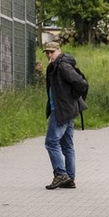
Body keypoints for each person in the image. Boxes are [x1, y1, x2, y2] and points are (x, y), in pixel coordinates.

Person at [43, 41, 87, 190]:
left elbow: (81, 83)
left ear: (59, 51)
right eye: (47, 52)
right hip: (68, 109)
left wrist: (71, 97)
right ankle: (70, 178)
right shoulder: (56, 65)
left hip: (62, 110)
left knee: (51, 142)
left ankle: (61, 174)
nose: (49, 55)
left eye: (52, 52)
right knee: (67, 145)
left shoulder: (62, 65)